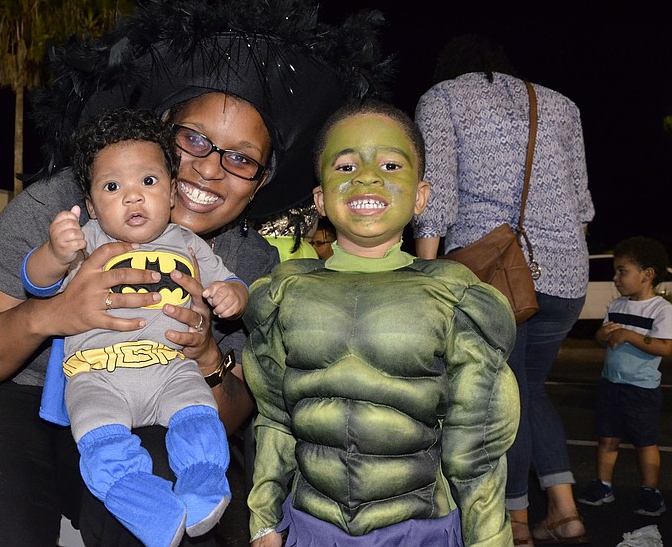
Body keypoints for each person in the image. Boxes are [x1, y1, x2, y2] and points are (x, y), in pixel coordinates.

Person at [0, 0, 392, 545]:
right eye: (194, 139)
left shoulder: (245, 263)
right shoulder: (61, 206)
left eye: (241, 158)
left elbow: (233, 408)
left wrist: (211, 356)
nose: (210, 170)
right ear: (159, 136)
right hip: (4, 397)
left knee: (178, 518)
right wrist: (53, 313)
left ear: (258, 184)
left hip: (151, 397)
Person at [243, 101, 519, 546]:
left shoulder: (453, 295)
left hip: (419, 529)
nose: (367, 176)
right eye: (346, 164)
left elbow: (477, 450)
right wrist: (262, 519)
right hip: (312, 527)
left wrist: (489, 540)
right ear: (320, 199)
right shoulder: (285, 292)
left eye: (390, 164)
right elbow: (275, 419)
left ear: (421, 195)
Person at [25, 109, 248, 546]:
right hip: (97, 375)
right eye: (112, 187)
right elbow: (37, 280)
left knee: (201, 421)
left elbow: (230, 282)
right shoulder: (89, 239)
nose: (132, 197)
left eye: (147, 182)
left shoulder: (188, 243)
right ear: (91, 205)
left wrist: (233, 296)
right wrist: (54, 250)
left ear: (170, 194)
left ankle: (202, 488)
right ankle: (146, 506)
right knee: (101, 443)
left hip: (171, 369)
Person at [412, 34, 594, 545]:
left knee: (499, 398)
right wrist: (565, 262)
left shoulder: (443, 98)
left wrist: (428, 279)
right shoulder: (561, 104)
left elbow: (438, 194)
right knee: (532, 390)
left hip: (492, 277)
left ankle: (515, 521)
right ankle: (565, 509)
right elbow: (581, 204)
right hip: (565, 274)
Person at [577, 236, 672, 517]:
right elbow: (600, 339)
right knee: (607, 439)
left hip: (641, 389)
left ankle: (650, 491)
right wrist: (603, 334)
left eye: (622, 271)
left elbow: (666, 348)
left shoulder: (661, 310)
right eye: (616, 271)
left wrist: (630, 336)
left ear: (647, 275)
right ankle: (603, 485)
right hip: (611, 385)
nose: (616, 278)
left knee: (645, 442)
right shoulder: (617, 305)